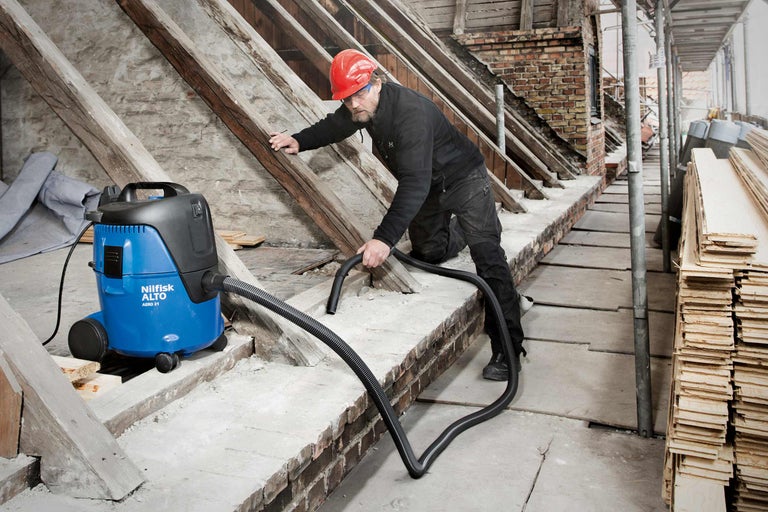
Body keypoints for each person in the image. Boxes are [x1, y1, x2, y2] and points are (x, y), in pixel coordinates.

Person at [269, 49, 525, 380]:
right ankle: (462, 231)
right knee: (429, 252)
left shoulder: (411, 113)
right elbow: (334, 126)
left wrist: (383, 239)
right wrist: (298, 140)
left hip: (463, 179)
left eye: (359, 94)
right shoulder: (360, 108)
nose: (353, 104)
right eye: (346, 98)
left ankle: (508, 350)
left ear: (377, 82)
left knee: (488, 257)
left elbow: (413, 183)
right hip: (429, 187)